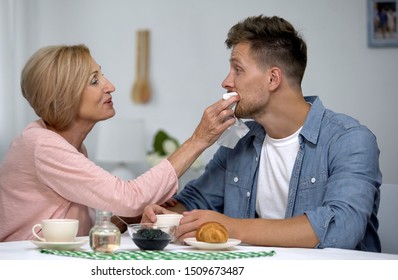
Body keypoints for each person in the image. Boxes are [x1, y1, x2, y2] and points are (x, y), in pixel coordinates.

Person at [142, 15, 382, 252]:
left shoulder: (350, 140)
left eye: (238, 69)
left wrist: (233, 227)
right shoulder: (240, 142)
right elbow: (194, 203)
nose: (226, 82)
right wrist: (165, 215)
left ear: (272, 78)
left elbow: (341, 229)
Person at [0, 44, 238, 243]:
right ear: (64, 96)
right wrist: (199, 140)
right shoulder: (42, 146)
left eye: (102, 75)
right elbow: (129, 198)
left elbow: (85, 232)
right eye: (94, 81)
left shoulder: (68, 145)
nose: (110, 86)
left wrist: (131, 218)